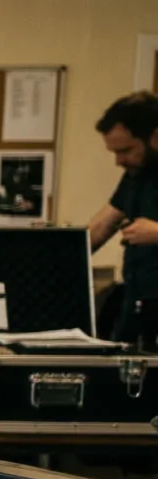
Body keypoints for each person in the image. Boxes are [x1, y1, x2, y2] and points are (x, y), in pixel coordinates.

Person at [89, 92, 158, 340]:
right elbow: (103, 225)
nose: (119, 160)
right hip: (139, 300)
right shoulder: (136, 173)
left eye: (126, 150)